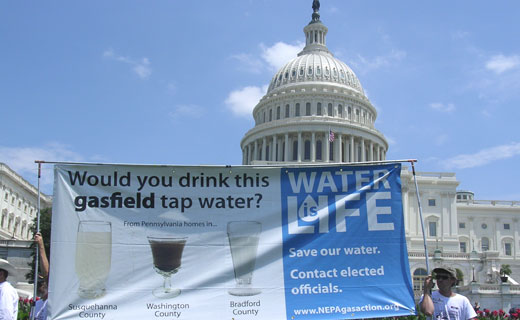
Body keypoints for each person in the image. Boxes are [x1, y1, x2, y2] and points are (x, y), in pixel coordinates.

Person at [31, 233, 49, 320]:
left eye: (43, 281)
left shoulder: (53, 302)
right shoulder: (37, 304)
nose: (43, 284)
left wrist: (41, 246)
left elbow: (46, 274)